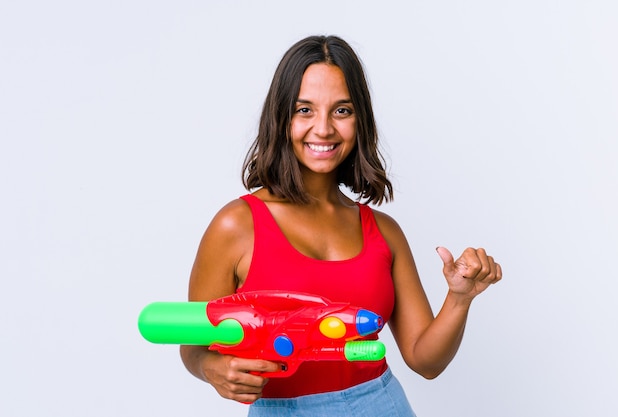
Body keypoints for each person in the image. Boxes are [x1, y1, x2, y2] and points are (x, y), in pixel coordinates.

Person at [179, 35, 502, 416]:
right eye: (305, 110)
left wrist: (460, 297)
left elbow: (424, 360)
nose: (324, 129)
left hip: (383, 404)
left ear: (360, 119)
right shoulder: (236, 225)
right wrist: (211, 368)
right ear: (281, 117)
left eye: (342, 111)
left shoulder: (383, 230)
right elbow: (194, 345)